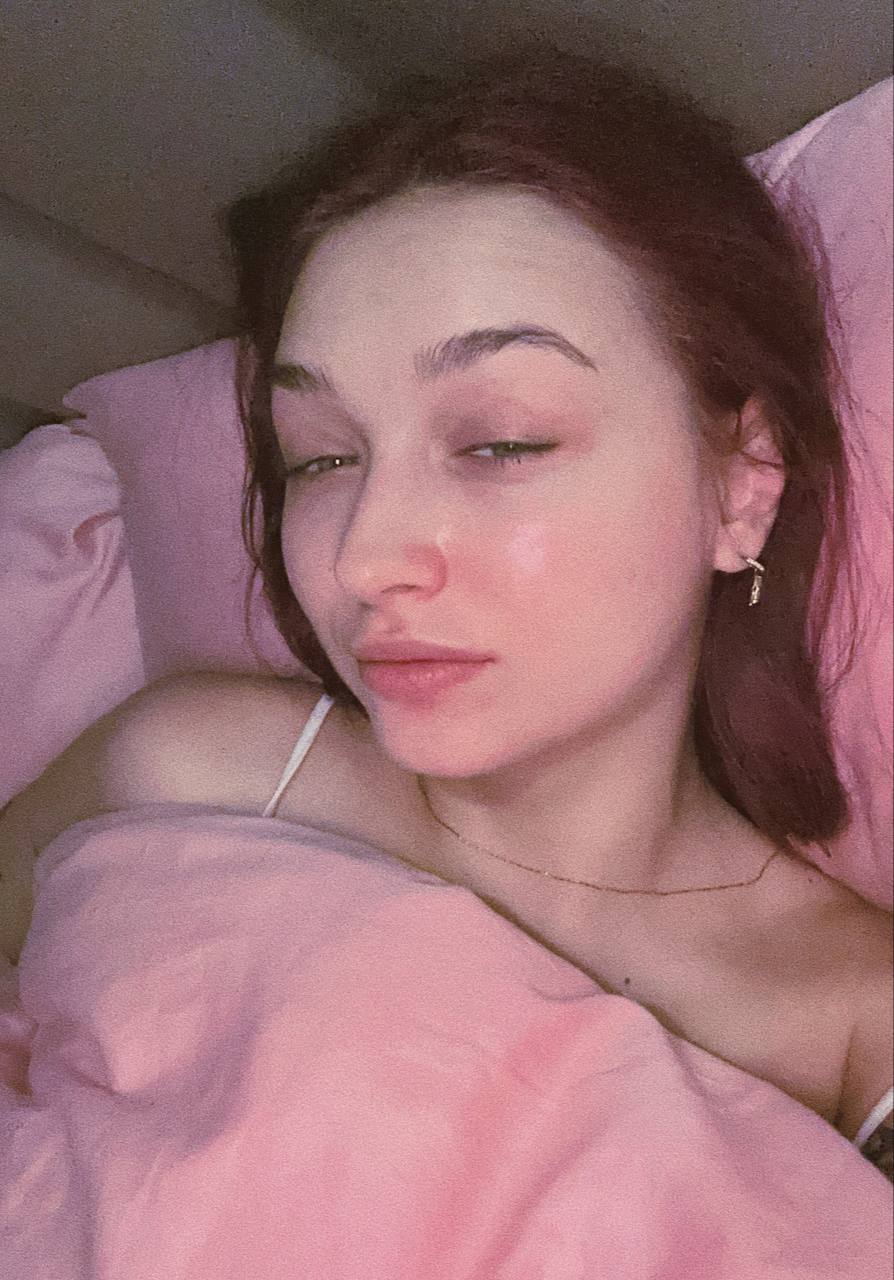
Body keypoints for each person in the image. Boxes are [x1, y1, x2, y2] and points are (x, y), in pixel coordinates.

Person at [2, 43, 891, 1174]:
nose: (364, 556)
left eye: (500, 442)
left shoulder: (854, 1028)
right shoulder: (195, 763)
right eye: (321, 458)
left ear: (742, 485)